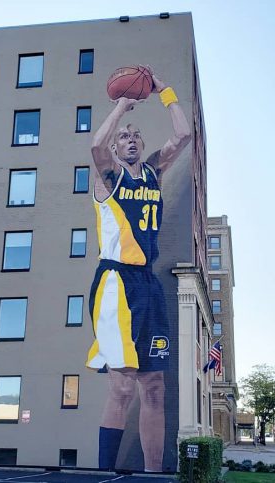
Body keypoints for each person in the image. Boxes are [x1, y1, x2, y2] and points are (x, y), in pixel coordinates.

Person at [86, 66, 191, 472]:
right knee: (122, 384)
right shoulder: (106, 177)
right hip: (115, 282)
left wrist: (165, 91)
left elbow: (182, 136)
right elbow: (96, 148)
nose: (130, 140)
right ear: (116, 148)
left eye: (136, 135)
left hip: (148, 284)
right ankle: (104, 473)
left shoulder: (153, 171)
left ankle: (153, 475)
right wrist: (121, 107)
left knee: (156, 386)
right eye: (124, 137)